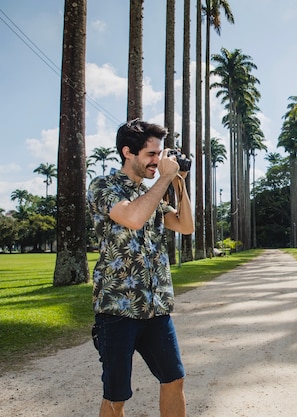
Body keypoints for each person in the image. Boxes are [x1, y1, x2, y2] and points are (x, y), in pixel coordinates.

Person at [87, 119, 194, 417]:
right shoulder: (104, 186)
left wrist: (178, 181)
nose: (157, 161)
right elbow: (132, 217)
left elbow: (185, 226)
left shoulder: (152, 194)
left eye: (160, 154)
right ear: (128, 152)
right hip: (117, 310)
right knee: (116, 395)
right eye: (151, 154)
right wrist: (163, 181)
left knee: (174, 379)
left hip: (156, 308)